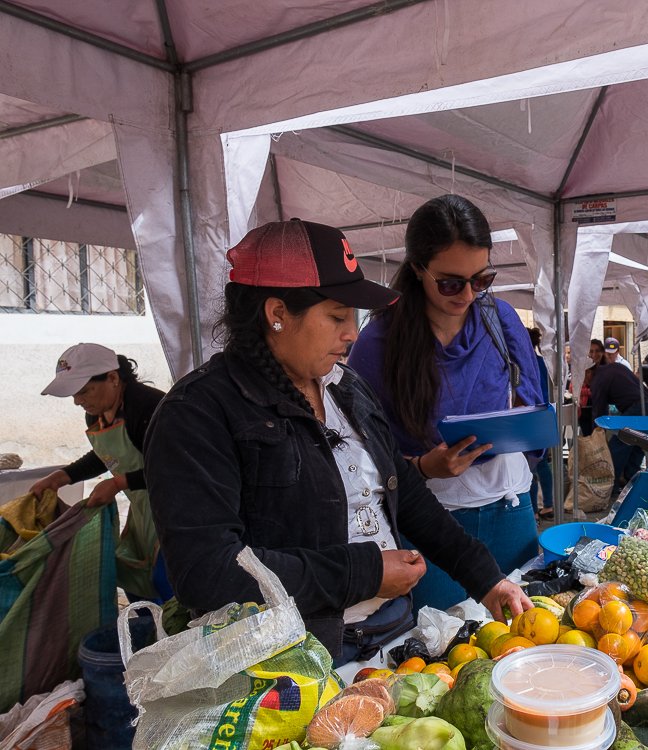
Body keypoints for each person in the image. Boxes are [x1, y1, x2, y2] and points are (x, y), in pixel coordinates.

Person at [143, 219, 529, 665]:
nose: (351, 332)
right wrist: (362, 573)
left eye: (353, 317)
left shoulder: (345, 387)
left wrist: (486, 579)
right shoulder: (198, 414)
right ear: (277, 314)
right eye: (336, 316)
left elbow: (409, 494)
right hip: (297, 663)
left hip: (395, 636)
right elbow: (208, 572)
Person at [348, 195, 544, 613]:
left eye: (482, 279)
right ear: (418, 269)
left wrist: (524, 437)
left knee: (526, 636)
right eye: (452, 282)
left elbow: (532, 402)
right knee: (441, 644)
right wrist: (422, 468)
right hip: (431, 525)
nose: (469, 294)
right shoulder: (377, 343)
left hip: (510, 507)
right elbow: (357, 454)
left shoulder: (501, 319)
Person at [30, 344, 171, 603]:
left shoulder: (148, 408)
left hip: (175, 508)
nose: (78, 401)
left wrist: (118, 484)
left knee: (166, 580)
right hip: (143, 512)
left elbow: (173, 467)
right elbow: (106, 455)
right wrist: (60, 477)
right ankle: (147, 635)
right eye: (75, 394)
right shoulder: (97, 413)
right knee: (133, 578)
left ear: (113, 378)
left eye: (85, 391)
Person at [589, 349, 648, 488]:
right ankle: (632, 483)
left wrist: (598, 434)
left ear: (588, 372)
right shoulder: (615, 367)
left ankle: (609, 486)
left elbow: (599, 410)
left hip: (637, 409)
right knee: (636, 446)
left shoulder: (597, 379)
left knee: (618, 446)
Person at [528, 327, 555, 520]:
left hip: (529, 418)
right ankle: (548, 505)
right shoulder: (542, 363)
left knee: (528, 465)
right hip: (544, 416)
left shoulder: (525, 364)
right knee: (542, 464)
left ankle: (534, 511)